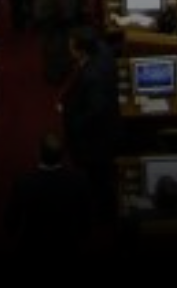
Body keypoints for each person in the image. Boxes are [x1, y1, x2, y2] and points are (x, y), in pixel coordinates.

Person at [59, 26, 121, 214]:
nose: (69, 49)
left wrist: (71, 118)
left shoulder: (91, 77)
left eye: (71, 47)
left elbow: (95, 112)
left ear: (81, 50)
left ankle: (104, 212)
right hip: (108, 123)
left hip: (96, 140)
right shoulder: (103, 50)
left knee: (98, 177)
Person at [5, 133, 94, 252]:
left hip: (31, 248)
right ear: (62, 154)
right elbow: (86, 221)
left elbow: (11, 222)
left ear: (38, 153)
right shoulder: (79, 180)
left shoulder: (24, 182)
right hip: (67, 248)